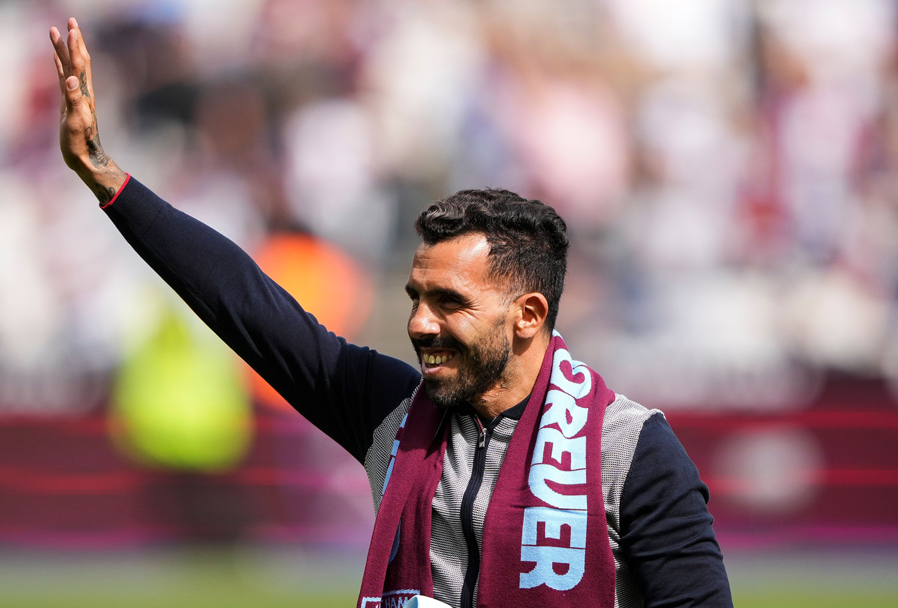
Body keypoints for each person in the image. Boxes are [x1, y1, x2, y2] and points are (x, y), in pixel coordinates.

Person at [49, 18, 733, 608]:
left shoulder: (633, 451)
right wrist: (106, 177)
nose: (420, 324)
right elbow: (245, 305)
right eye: (416, 297)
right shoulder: (396, 418)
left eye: (450, 303)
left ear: (528, 314)